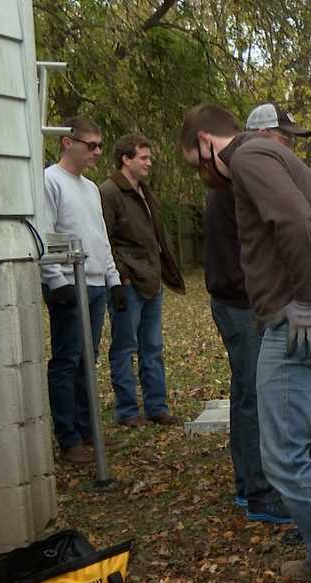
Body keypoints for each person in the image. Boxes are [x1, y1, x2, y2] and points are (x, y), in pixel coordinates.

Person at [179, 103, 311, 583]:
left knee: (285, 459)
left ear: (206, 141)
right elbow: (309, 223)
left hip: (296, 324)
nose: (203, 172)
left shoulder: (246, 156)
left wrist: (308, 300)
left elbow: (293, 221)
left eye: (196, 161)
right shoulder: (284, 158)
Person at [40, 117, 127, 465]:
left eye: (100, 145)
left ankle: (88, 429)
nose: (97, 152)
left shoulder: (90, 188)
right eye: (91, 144)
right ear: (67, 142)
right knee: (67, 359)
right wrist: (55, 279)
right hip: (67, 283)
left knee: (87, 362)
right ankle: (68, 437)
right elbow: (44, 231)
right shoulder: (50, 181)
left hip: (93, 284)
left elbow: (99, 237)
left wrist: (113, 279)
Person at [100, 133, 186, 429]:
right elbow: (104, 240)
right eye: (144, 158)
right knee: (125, 348)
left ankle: (156, 408)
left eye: (150, 157)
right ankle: (127, 412)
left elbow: (155, 238)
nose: (150, 162)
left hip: (152, 280)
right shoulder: (109, 192)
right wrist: (121, 276)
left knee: (153, 347)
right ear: (126, 159)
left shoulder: (145, 192)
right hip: (128, 283)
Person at [245, 102, 311, 148]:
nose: (290, 146)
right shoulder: (240, 166)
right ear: (262, 135)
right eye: (286, 137)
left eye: (292, 140)